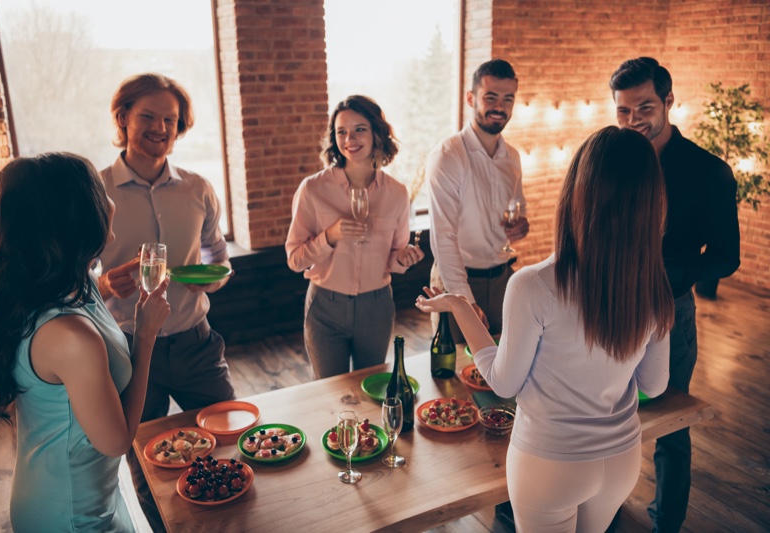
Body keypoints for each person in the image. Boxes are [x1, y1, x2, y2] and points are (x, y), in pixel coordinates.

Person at [416, 126, 675, 532]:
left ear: (577, 192)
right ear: (651, 204)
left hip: (550, 463)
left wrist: (458, 307)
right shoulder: (655, 287)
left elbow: (503, 382)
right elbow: (655, 386)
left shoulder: (534, 285)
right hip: (621, 460)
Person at [0, 153, 171, 532]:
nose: (109, 199)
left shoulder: (67, 284)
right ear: (76, 215)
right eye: (98, 189)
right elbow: (117, 441)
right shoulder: (69, 337)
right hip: (69, 512)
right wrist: (145, 336)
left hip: (85, 491)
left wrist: (107, 285)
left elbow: (88, 293)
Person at [97, 73, 236, 530]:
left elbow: (218, 255)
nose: (160, 127)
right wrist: (104, 286)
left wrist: (213, 278)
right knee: (147, 460)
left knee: (230, 438)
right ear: (123, 119)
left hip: (197, 344)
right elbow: (76, 281)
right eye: (148, 117)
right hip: (131, 350)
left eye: (170, 119)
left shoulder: (198, 188)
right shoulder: (96, 191)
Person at [610, 57, 741, 532]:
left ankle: (667, 523)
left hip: (670, 311)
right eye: (623, 111)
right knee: (604, 414)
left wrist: (673, 273)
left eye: (643, 107)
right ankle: (605, 506)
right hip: (610, 307)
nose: (632, 121)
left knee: (671, 423)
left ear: (668, 101)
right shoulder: (615, 161)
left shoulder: (709, 171)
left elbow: (727, 256)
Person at [285, 95, 424, 379]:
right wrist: (330, 236)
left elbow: (393, 258)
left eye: (359, 129)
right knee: (328, 392)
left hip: (377, 306)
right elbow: (295, 260)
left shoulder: (397, 193)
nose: (350, 138)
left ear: (376, 133)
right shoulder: (312, 190)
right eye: (341, 132)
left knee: (371, 388)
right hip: (325, 307)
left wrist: (404, 258)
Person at [426, 58, 530, 343]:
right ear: (471, 98)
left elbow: (517, 213)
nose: (500, 107)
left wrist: (522, 228)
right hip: (457, 281)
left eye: (507, 99)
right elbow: (443, 237)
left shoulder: (513, 157)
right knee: (457, 370)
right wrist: (464, 299)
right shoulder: (448, 155)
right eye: (491, 97)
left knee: (502, 366)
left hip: (502, 280)